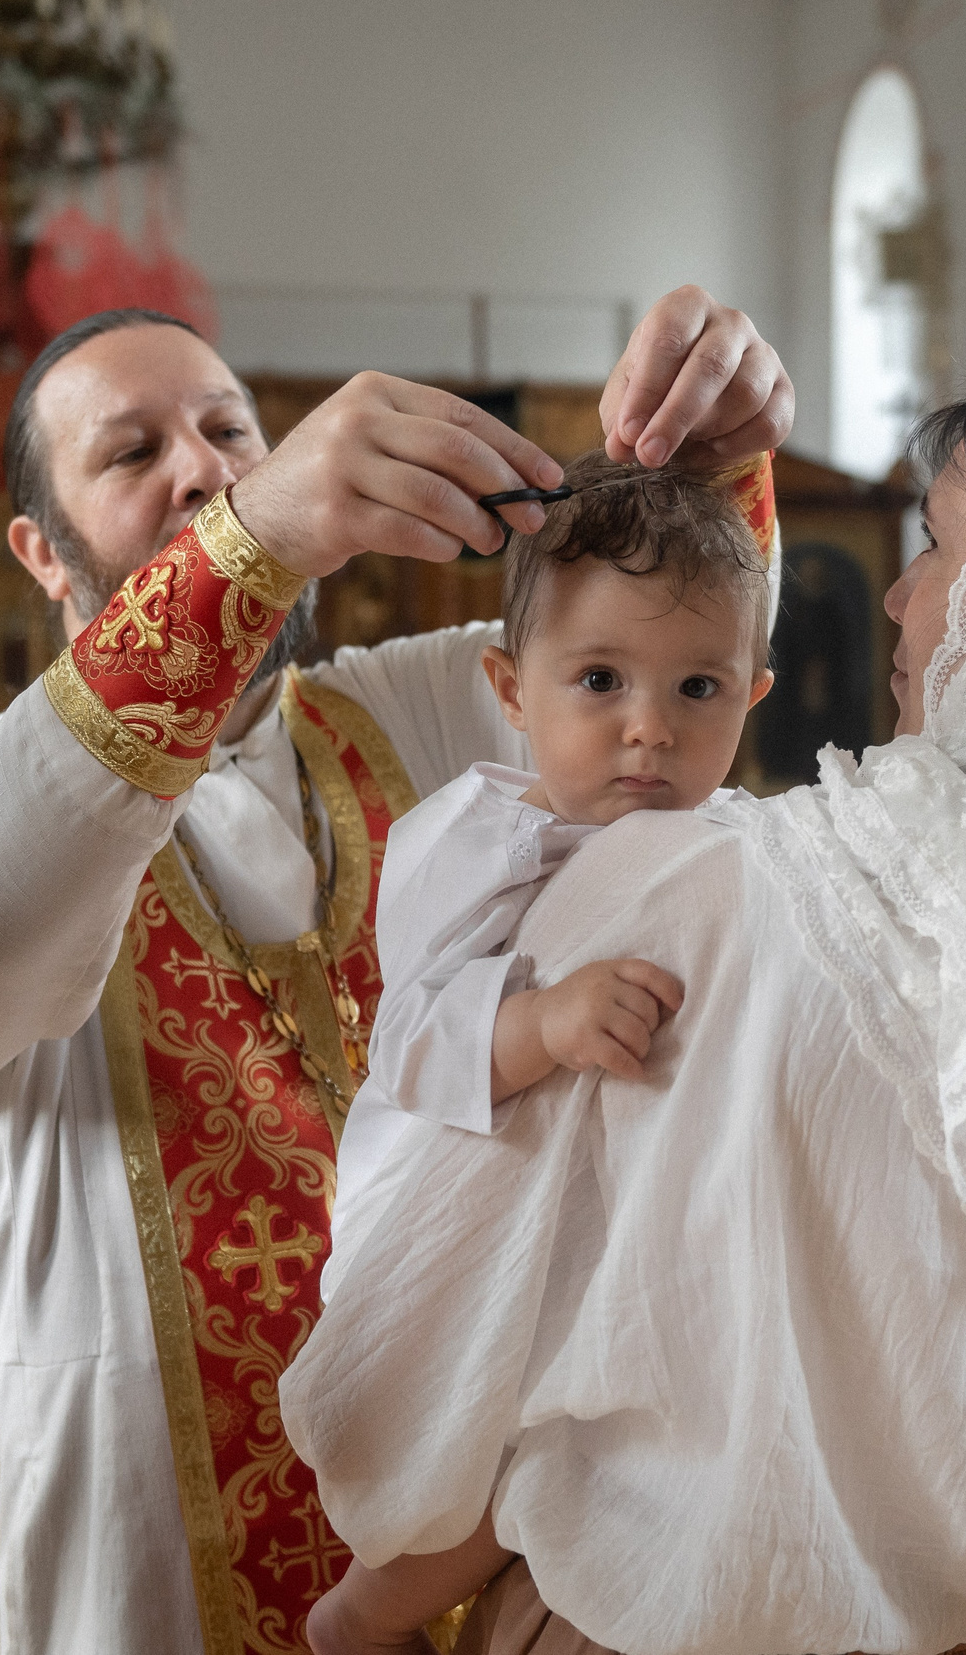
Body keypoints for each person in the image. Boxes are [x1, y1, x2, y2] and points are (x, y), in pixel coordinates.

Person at [281, 331, 966, 1655]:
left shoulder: (706, 897)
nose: (896, 600)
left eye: (935, 549)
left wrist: (379, 1579)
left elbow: (440, 1307)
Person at [0, 295, 791, 1655]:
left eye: (230, 432)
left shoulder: (410, 708)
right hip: (162, 1523)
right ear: (41, 554)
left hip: (468, 1469)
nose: (202, 469)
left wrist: (715, 448)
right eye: (131, 454)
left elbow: (660, 678)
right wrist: (252, 532)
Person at [306, 453, 776, 1652]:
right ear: (511, 687)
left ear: (753, 696)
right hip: (468, 1195)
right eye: (601, 679)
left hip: (628, 1220)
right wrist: (546, 1018)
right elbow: (406, 1040)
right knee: (490, 1444)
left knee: (573, 1446)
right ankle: (358, 1619)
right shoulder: (477, 841)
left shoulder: (738, 845)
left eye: (698, 687)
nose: (648, 728)